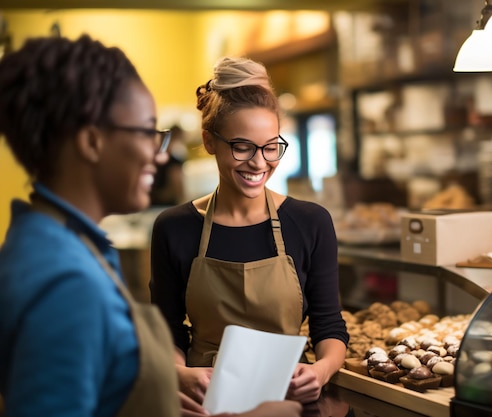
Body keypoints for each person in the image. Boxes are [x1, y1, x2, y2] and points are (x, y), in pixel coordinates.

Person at [0, 35, 301, 417]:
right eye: (146, 133)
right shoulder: (64, 279)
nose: (158, 157)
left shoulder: (64, 245)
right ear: (92, 142)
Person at [149, 56, 349, 407]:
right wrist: (180, 375)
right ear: (209, 141)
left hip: (288, 401)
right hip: (204, 402)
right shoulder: (174, 228)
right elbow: (167, 330)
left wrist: (321, 371)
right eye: (242, 147)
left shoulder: (311, 222)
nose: (259, 163)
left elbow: (329, 326)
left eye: (271, 147)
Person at [150, 124, 187, 206]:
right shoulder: (173, 161)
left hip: (153, 205)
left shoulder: (154, 159)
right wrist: (183, 203)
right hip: (166, 205)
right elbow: (177, 182)